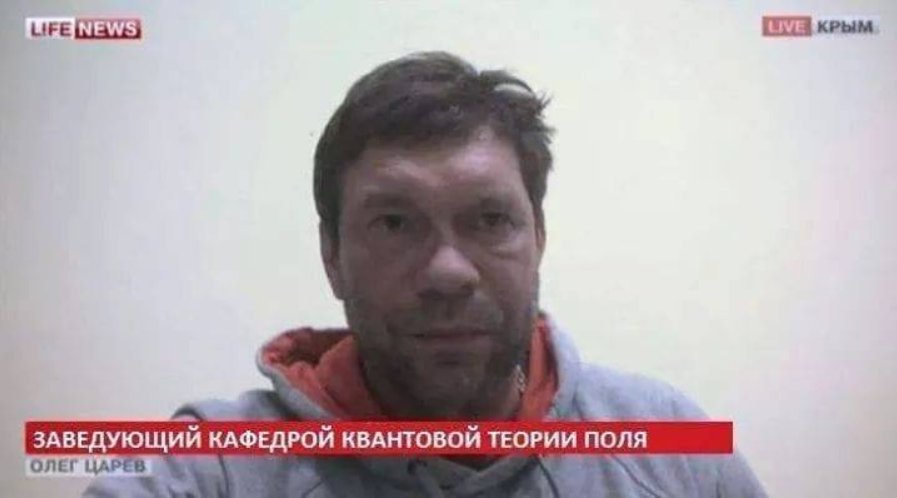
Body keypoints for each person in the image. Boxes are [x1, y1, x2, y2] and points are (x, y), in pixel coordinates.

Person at [84, 51, 767, 497]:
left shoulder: (670, 451)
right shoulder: (210, 468)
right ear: (331, 256)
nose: (447, 272)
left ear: (539, 238)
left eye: (489, 220)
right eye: (394, 223)